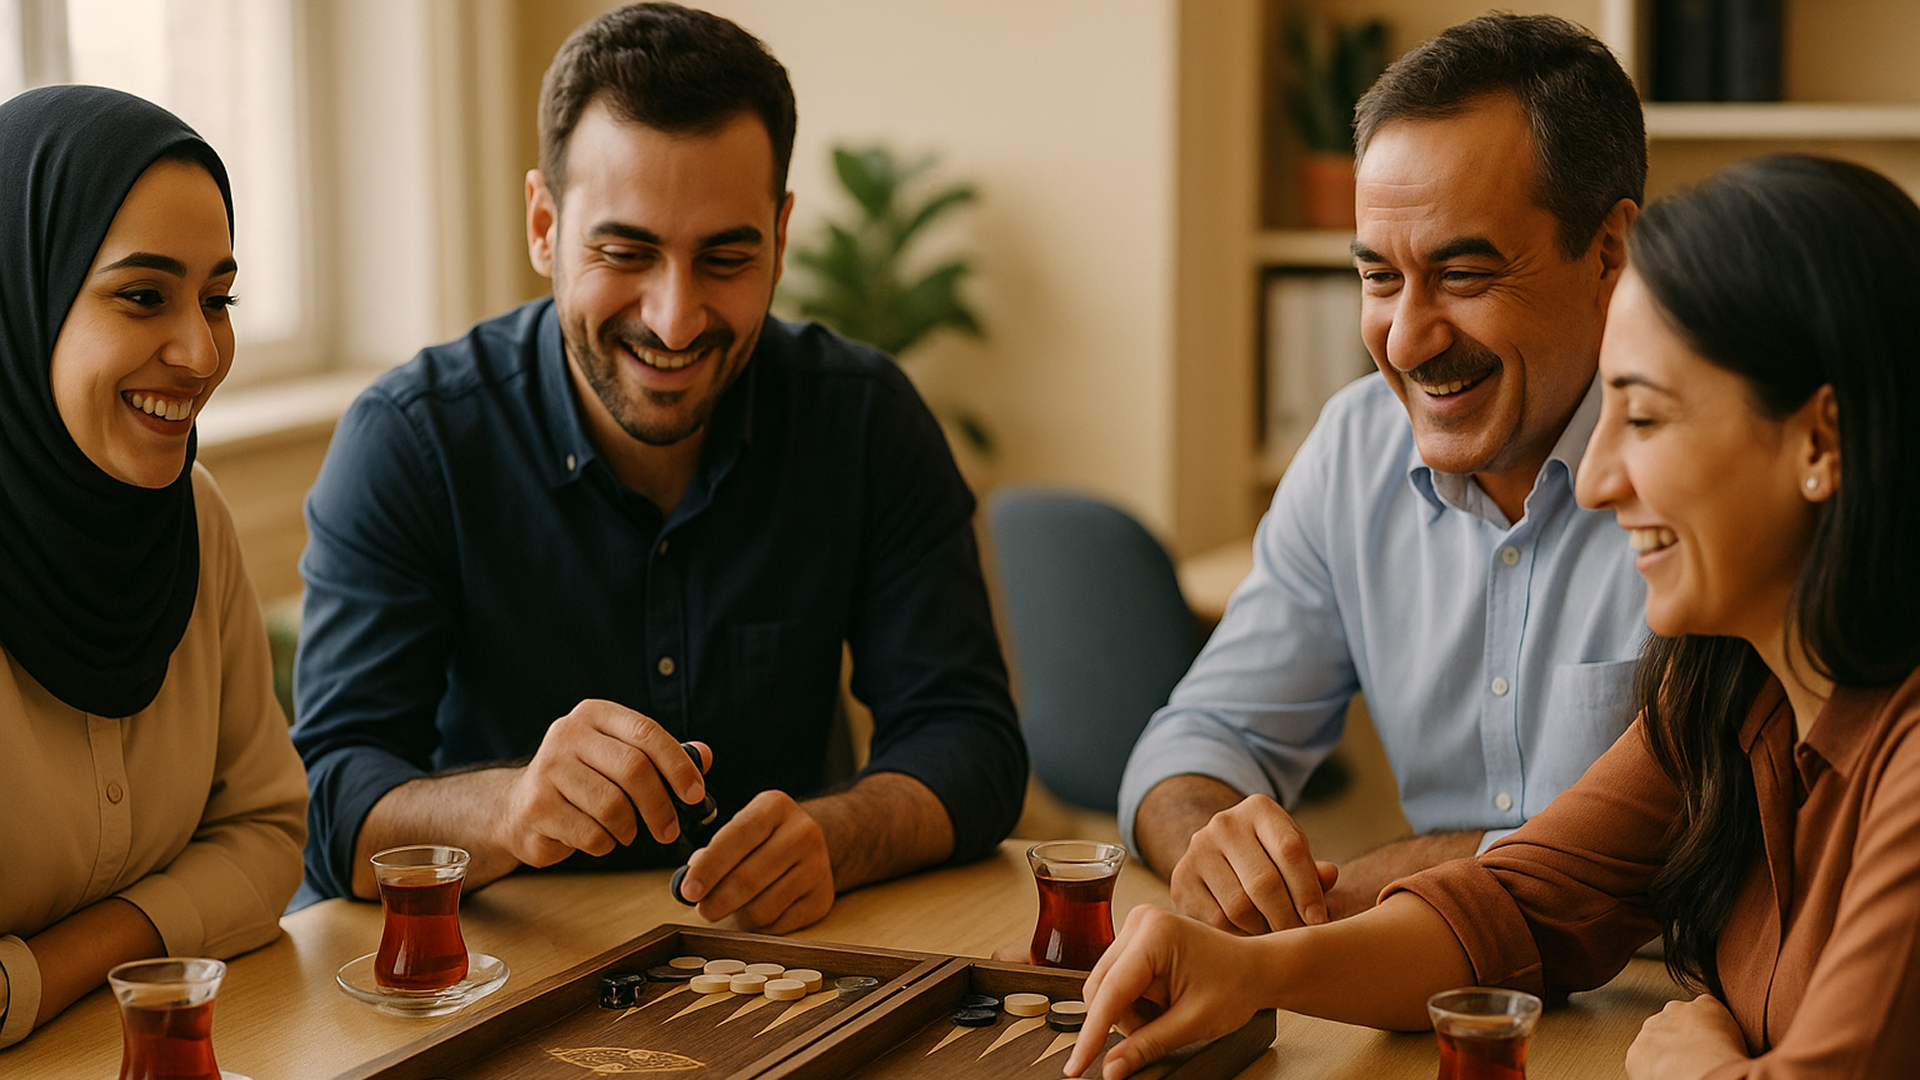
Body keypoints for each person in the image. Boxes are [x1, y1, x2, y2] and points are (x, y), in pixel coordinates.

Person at [1069, 153, 1920, 1080]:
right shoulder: (1728, 683)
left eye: (1642, 420)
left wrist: (1703, 1066)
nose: (1594, 480)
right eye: (1379, 275)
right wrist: (1242, 967)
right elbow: (1513, 906)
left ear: (1819, 443)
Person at [290, 2, 1026, 932]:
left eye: (725, 257)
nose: (675, 319)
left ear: (782, 235)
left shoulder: (865, 416)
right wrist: (510, 812)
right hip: (499, 975)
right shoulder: (412, 440)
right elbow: (328, 805)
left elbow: (973, 743)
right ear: (545, 225)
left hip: (780, 971)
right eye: (625, 251)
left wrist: (838, 836)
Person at [1118, 12, 1649, 933]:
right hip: (1432, 994)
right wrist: (1210, 842)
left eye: (1463, 275)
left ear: (1608, 254)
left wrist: (1369, 885)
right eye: (1377, 279)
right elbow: (1203, 738)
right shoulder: (1354, 448)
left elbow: (1675, 858)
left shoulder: (1711, 469)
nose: (1405, 341)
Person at [0, 85, 308, 1049]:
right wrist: (178, 917)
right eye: (143, 296)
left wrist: (55, 968)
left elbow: (266, 838)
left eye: (218, 299)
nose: (201, 350)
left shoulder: (192, 521)